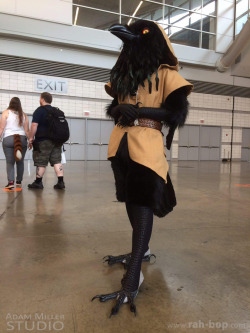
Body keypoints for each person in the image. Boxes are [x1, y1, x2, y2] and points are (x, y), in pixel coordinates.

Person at [92, 21, 193, 317]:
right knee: (129, 201)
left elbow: (175, 113)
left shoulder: (167, 74)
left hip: (147, 146)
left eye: (142, 35)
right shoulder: (124, 76)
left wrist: (142, 111)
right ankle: (142, 251)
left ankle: (133, 274)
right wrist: (119, 109)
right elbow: (114, 107)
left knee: (142, 205)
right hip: (120, 144)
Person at [28, 92, 65, 190]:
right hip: (56, 141)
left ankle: (38, 182)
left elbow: (34, 125)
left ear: (43, 99)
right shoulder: (55, 111)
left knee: (41, 161)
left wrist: (31, 138)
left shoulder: (39, 111)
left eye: (40, 98)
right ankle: (61, 182)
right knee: (57, 161)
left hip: (43, 141)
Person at [0, 97, 29, 189]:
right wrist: (30, 140)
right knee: (20, 161)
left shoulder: (6, 113)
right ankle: (19, 182)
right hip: (22, 140)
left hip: (8, 139)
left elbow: (1, 128)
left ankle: (11, 183)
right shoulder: (24, 115)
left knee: (10, 162)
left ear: (10, 103)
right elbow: (27, 130)